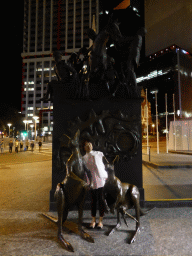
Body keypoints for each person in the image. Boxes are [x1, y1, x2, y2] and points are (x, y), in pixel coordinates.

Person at [83, 140, 108, 229]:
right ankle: (93, 220)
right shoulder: (84, 158)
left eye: (90, 144)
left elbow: (104, 165)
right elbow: (85, 172)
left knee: (101, 200)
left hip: (101, 180)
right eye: (87, 145)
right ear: (84, 147)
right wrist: (87, 182)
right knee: (93, 202)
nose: (89, 146)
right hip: (92, 181)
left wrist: (105, 175)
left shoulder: (99, 153)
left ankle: (100, 221)